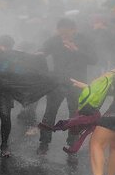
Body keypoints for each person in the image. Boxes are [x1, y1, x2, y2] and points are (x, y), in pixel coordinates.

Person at [38, 18, 98, 154]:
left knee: (75, 114)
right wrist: (37, 55)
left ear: (74, 30)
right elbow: (42, 52)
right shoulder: (54, 40)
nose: (63, 35)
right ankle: (44, 143)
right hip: (57, 82)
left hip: (77, 83)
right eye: (61, 33)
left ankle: (72, 143)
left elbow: (94, 60)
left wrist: (76, 49)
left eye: (67, 33)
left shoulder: (84, 41)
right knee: (50, 111)